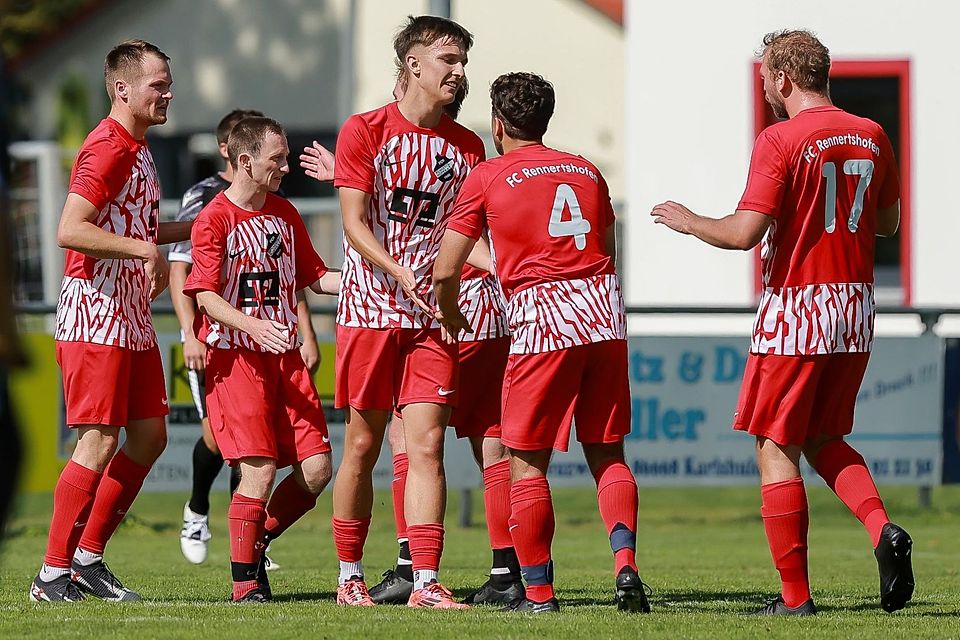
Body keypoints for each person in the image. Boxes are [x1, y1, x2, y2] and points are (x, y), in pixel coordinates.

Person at [650, 30, 913, 616]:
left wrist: (690, 220)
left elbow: (744, 234)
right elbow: (888, 224)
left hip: (799, 305)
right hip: (855, 308)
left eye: (767, 76)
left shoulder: (781, 137)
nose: (766, 86)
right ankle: (883, 530)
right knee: (823, 436)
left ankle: (795, 599)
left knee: (776, 446)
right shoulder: (871, 133)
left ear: (785, 79)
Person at [434, 72, 651, 614]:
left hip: (542, 319)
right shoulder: (585, 169)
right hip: (602, 313)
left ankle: (537, 592)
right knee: (608, 453)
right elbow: (608, 244)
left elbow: (445, 268)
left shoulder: (487, 175)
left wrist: (452, 311)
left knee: (525, 463)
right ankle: (626, 569)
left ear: (498, 124)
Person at [29, 40, 192, 603]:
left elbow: (141, 234)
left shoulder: (139, 146)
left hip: (130, 317)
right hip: (95, 314)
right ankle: (52, 574)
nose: (169, 93)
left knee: (149, 436)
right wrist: (144, 252)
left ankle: (87, 558)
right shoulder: (108, 147)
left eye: (169, 82)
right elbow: (69, 230)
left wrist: (201, 224)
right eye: (158, 84)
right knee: (97, 439)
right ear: (123, 89)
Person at [330, 15, 485, 608]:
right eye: (449, 61)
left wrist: (516, 276)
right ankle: (349, 575)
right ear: (414, 65)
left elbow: (467, 235)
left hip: (432, 320)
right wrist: (396, 270)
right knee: (364, 445)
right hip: (371, 310)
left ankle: (424, 581)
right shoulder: (365, 129)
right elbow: (352, 220)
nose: (459, 72)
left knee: (426, 445)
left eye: (463, 61)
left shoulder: (467, 146)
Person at [182, 116, 340, 603]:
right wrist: (253, 326)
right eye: (278, 159)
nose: (286, 166)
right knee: (260, 469)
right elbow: (204, 295)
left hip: (285, 359)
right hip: (237, 361)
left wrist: (380, 278)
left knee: (316, 470)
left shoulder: (285, 214)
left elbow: (316, 279)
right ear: (245, 162)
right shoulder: (215, 218)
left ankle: (258, 539)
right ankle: (245, 583)